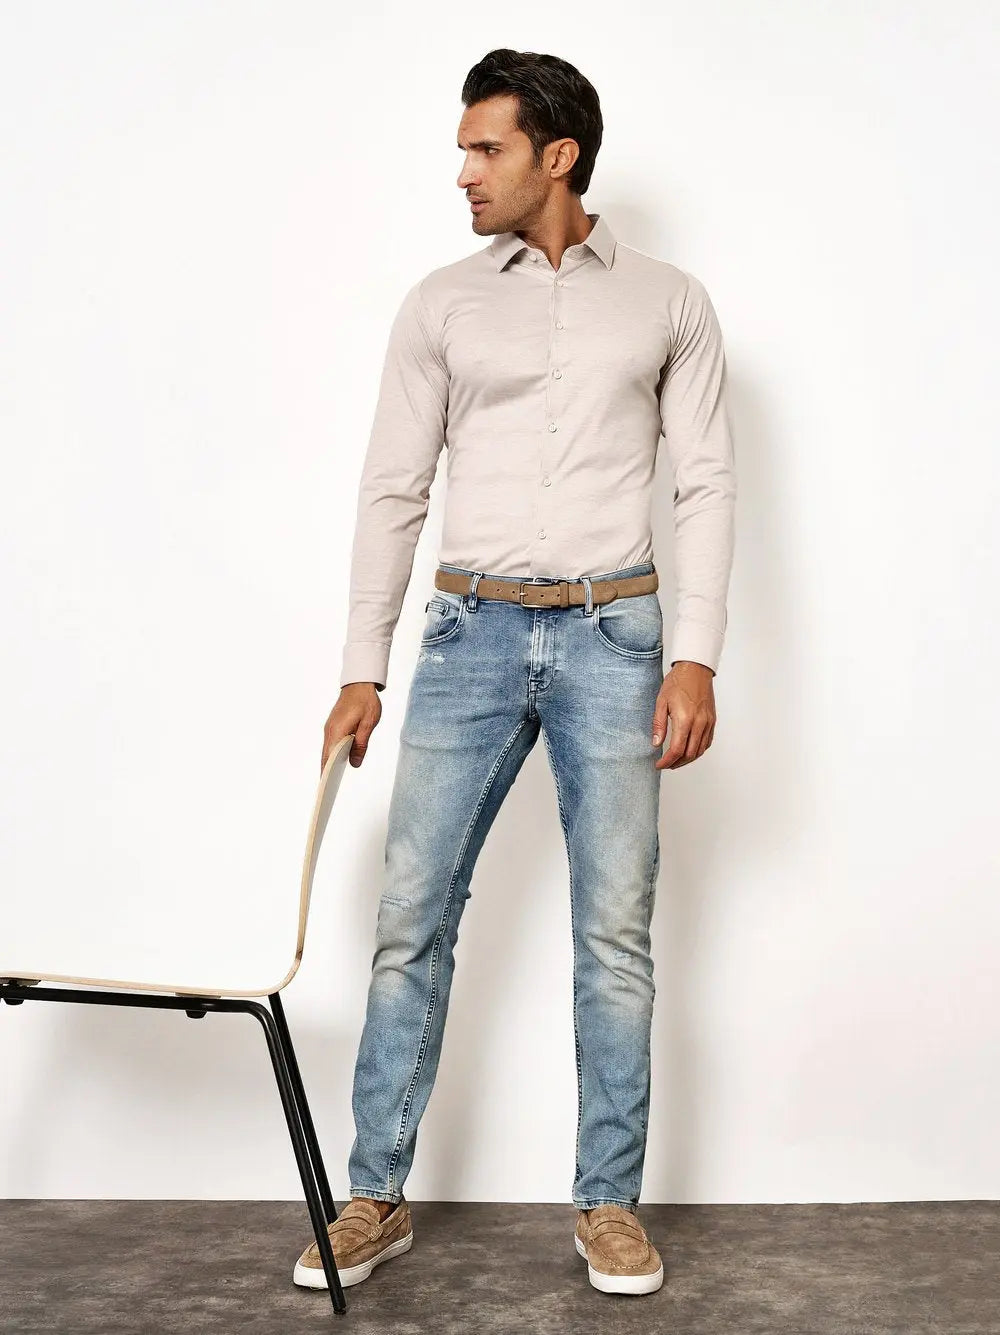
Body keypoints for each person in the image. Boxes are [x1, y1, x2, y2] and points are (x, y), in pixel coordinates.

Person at [294, 46, 736, 1299]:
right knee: (410, 922)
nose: (464, 173)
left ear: (560, 154)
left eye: (485, 149)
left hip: (616, 637)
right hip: (465, 638)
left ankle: (608, 1205)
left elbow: (705, 483)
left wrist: (695, 656)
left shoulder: (669, 302)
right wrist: (362, 664)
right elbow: (392, 486)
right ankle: (374, 1195)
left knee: (614, 935)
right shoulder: (439, 304)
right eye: (463, 149)